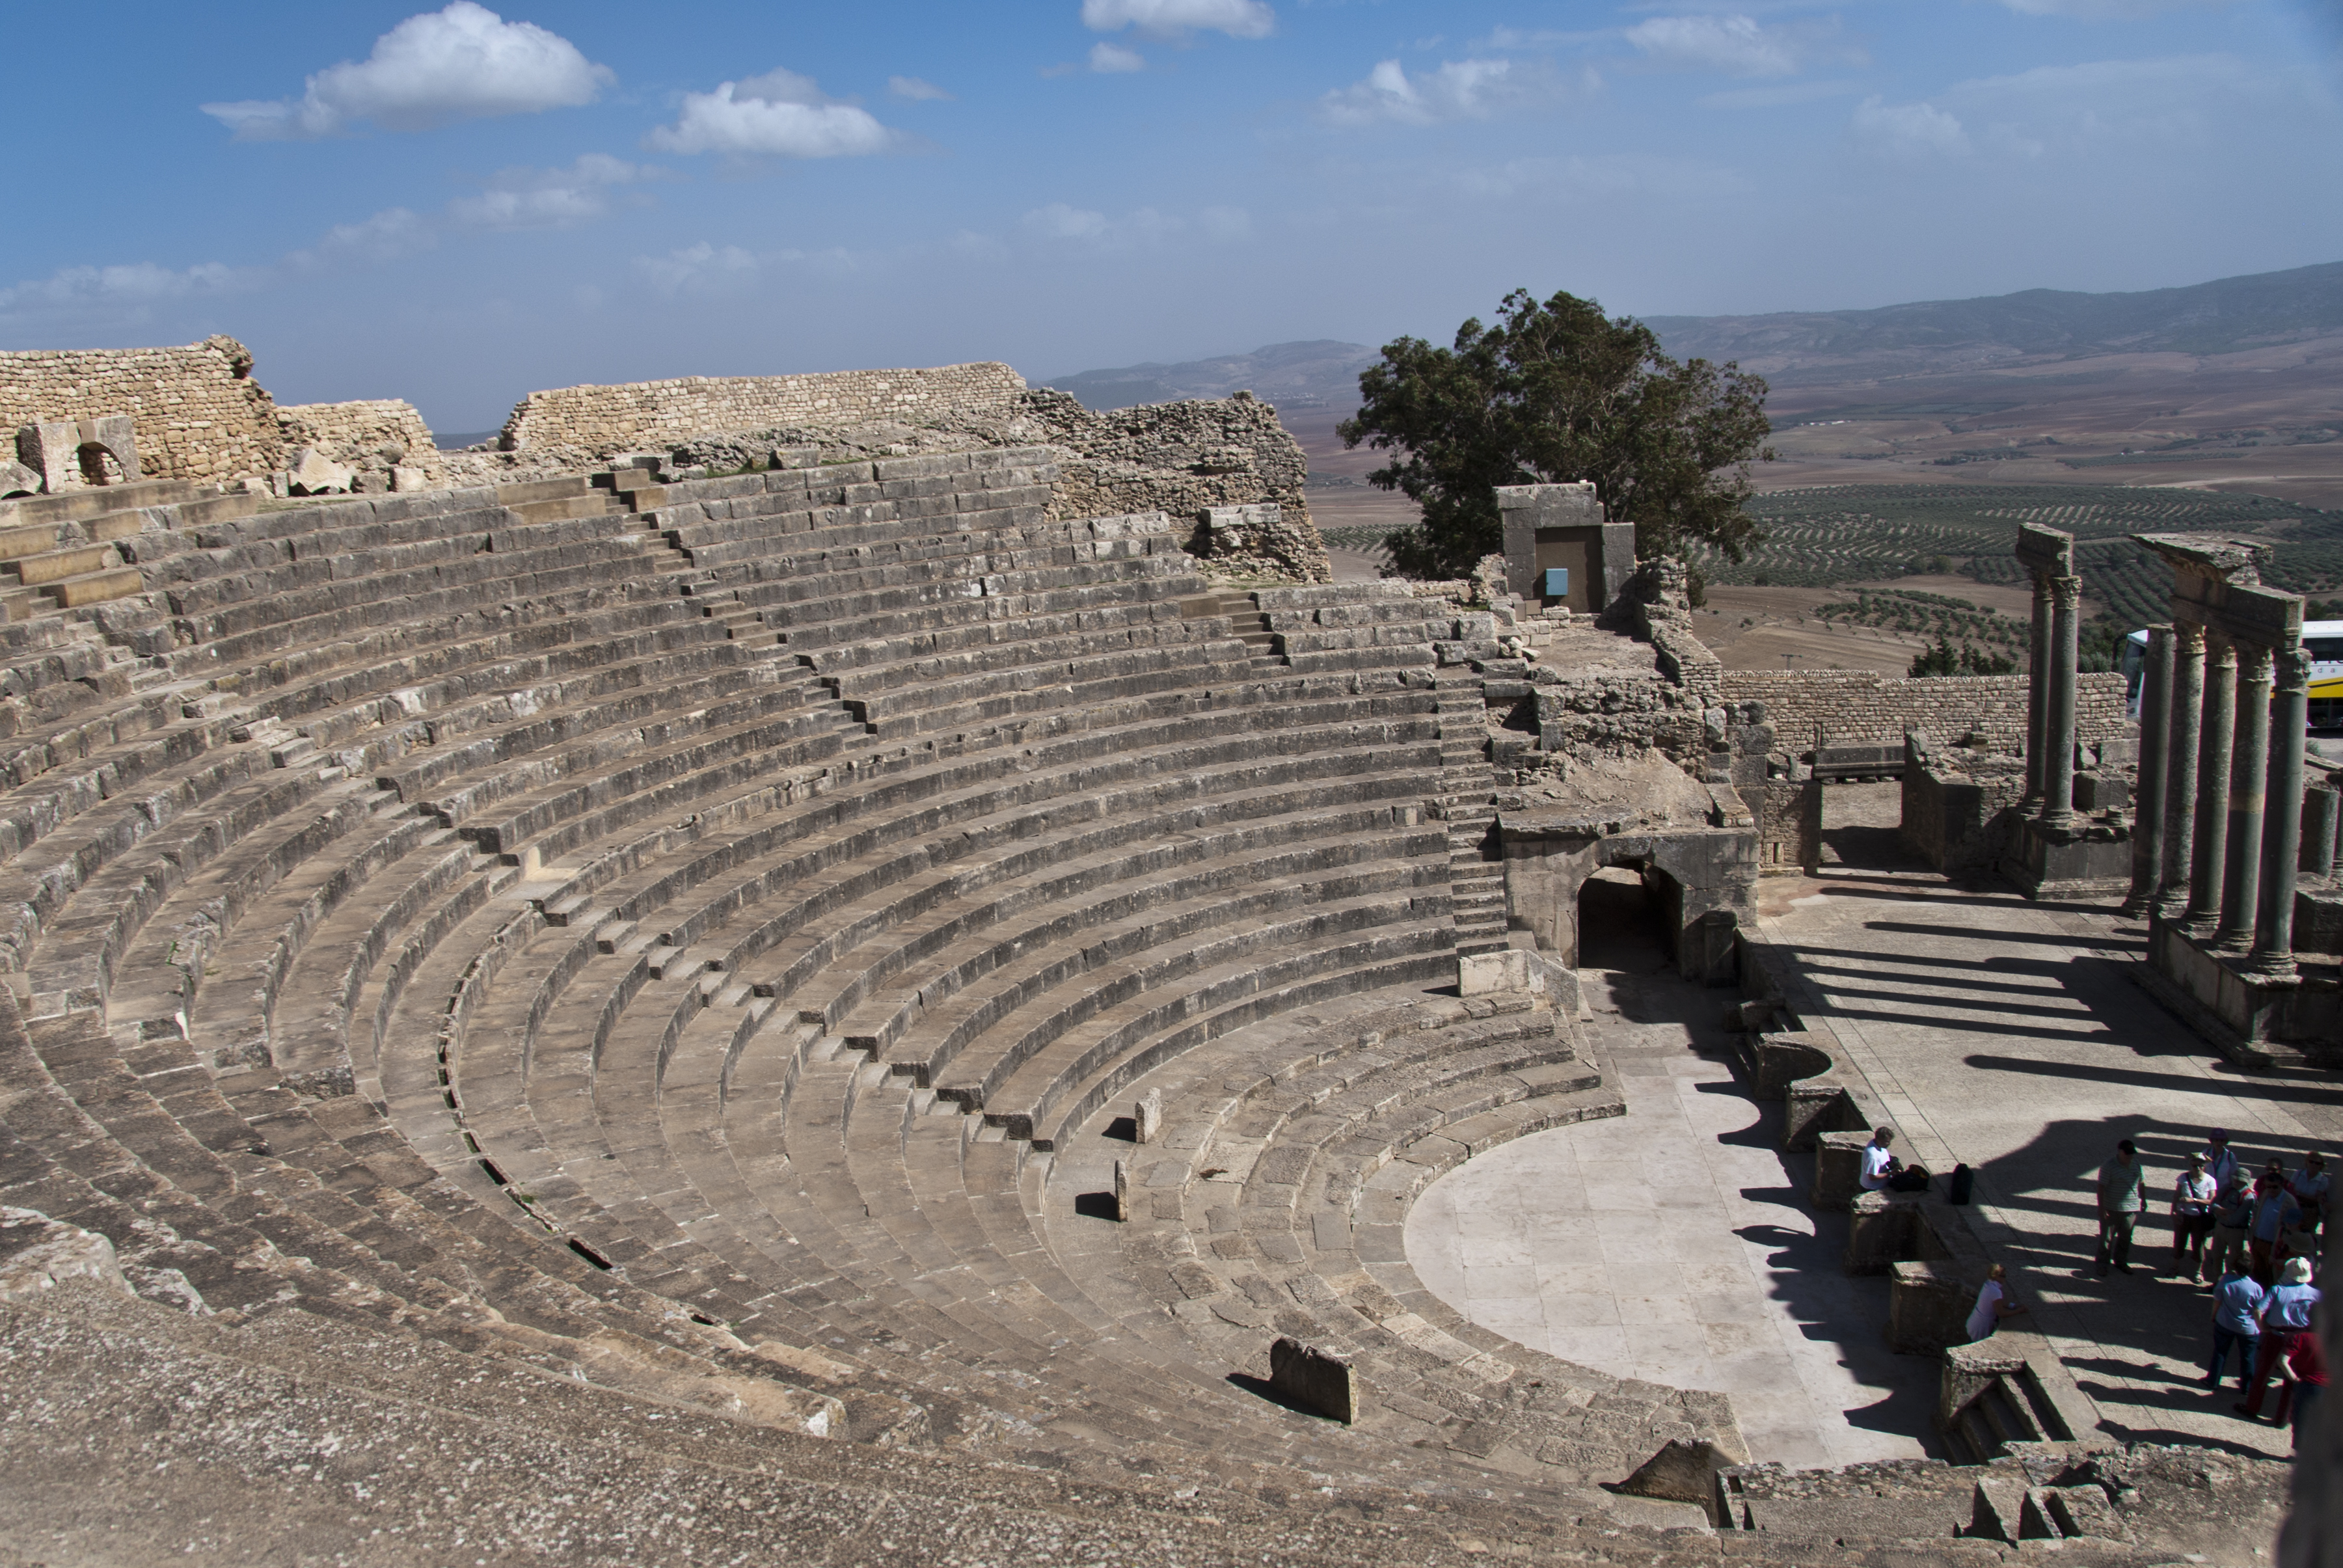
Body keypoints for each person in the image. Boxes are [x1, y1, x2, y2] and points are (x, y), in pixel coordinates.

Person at [2237, 1256, 2322, 1421]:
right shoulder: (2317, 1295)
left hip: (2276, 1336)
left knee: (2263, 1373)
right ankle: (2282, 1418)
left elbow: (2257, 1311)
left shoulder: (2277, 1290)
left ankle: (2252, 1408)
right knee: (2293, 1377)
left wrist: (2263, 1328)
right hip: (2301, 1337)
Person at [2206, 1260, 2266, 1391]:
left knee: (2220, 1352)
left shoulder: (2226, 1280)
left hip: (2226, 1323)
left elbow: (2217, 1300)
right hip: (2248, 1328)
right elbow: (2259, 1309)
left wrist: (2214, 1315)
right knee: (2248, 1357)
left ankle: (2213, 1381)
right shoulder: (2256, 1288)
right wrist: (2261, 1327)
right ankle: (2247, 1387)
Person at [2094, 1138, 2145, 1277]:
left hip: (2131, 1208)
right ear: (2120, 1152)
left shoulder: (2136, 1164)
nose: (2130, 1156)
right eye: (2127, 1153)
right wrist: (2102, 1207)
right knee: (2106, 1238)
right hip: (2112, 1208)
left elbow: (2141, 1183)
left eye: (2132, 1153)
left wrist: (2144, 1200)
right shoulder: (2109, 1166)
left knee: (2126, 1237)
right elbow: (2101, 1187)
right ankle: (2102, 1264)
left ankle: (2121, 1262)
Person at [2277, 1325, 2328, 1452]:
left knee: (2301, 1420)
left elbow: (2282, 1361)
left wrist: (2294, 1379)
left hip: (2308, 1386)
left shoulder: (2300, 1338)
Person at [2246, 1173, 2302, 1287]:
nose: (2271, 1189)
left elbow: (2294, 1226)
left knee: (2271, 1277)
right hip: (2258, 1241)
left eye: (2275, 1187)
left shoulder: (2289, 1201)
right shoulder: (2265, 1194)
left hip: (2272, 1246)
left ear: (2281, 1185)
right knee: (2257, 1274)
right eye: (2268, 1186)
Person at [2171, 1152, 2219, 1280]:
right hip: (2184, 1216)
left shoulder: (2210, 1181)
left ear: (2205, 1166)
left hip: (2200, 1218)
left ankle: (2199, 1272)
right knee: (2179, 1242)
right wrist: (2173, 1212)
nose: (2197, 1168)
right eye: (2194, 1165)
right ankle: (2175, 1267)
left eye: (2200, 1166)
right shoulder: (2183, 1178)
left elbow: (2212, 1201)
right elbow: (2176, 1196)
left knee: (2198, 1245)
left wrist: (2193, 1201)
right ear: (2190, 1165)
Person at [2206, 1174, 2254, 1286]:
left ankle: (2229, 1285)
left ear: (2246, 1182)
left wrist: (2220, 1212)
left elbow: (2235, 1219)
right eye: (2235, 1179)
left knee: (2233, 1260)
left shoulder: (2248, 1197)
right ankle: (2217, 1284)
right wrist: (2227, 1211)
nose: (2236, 1181)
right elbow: (2213, 1205)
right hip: (2221, 1227)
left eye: (2239, 1180)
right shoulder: (2227, 1189)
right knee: (2217, 1256)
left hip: (2236, 1232)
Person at [1966, 1263, 2026, 1342]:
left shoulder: (1988, 1284)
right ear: (1996, 1276)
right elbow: (2001, 1313)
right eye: (2003, 1276)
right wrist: (2019, 1311)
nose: (2005, 1279)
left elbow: (1998, 1301)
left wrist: (2013, 1306)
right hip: (1981, 1326)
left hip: (1974, 1321)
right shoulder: (1996, 1291)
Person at [1861, 1128, 1930, 1194]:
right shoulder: (1873, 1156)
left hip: (1880, 1183)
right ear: (1879, 1140)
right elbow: (1872, 1177)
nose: (1889, 1144)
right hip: (1873, 1188)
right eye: (1887, 1142)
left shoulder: (1876, 1143)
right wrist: (1891, 1173)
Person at [2203, 1130, 2240, 1198]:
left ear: (2225, 1142)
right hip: (2207, 1189)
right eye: (2216, 1140)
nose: (2219, 1143)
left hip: (2223, 1191)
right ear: (2212, 1141)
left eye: (2222, 1140)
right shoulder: (2206, 1153)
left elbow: (2234, 1175)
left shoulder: (2230, 1156)